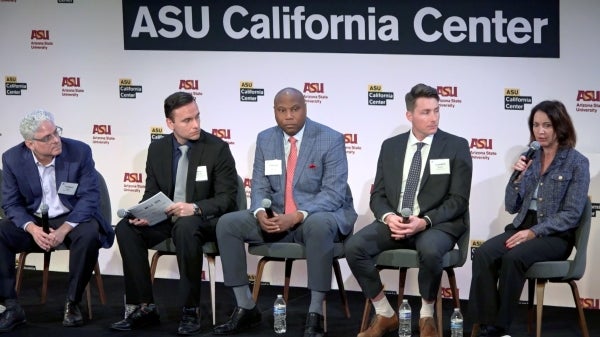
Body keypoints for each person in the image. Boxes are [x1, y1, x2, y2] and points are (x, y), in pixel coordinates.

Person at [213, 87, 357, 337]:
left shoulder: (330, 138)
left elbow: (333, 194)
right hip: (277, 217)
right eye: (282, 110)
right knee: (228, 223)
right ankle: (246, 307)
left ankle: (315, 313)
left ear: (305, 108)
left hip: (313, 219)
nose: (288, 116)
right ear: (275, 112)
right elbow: (259, 185)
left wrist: (297, 215)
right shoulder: (265, 138)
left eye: (294, 109)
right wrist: (259, 211)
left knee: (320, 224)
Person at [345, 83, 472, 337]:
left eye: (437, 110)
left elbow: (459, 200)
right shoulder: (390, 146)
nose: (433, 117)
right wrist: (389, 217)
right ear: (409, 115)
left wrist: (424, 221)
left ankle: (427, 317)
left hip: (436, 224)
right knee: (354, 247)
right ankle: (384, 313)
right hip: (396, 221)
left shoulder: (456, 146)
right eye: (425, 112)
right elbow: (378, 194)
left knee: (430, 249)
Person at [110, 91, 239, 335]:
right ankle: (144, 307)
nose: (196, 125)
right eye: (187, 120)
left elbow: (226, 198)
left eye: (197, 117)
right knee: (127, 228)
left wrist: (195, 208)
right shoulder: (157, 149)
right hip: (167, 218)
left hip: (202, 220)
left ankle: (191, 309)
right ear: (170, 123)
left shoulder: (216, 148)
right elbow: (152, 193)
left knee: (186, 226)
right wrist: (145, 212)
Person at [469, 100, 590, 337]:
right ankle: (485, 323)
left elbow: (572, 213)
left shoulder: (577, 162)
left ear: (560, 127)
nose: (540, 131)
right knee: (483, 253)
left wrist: (535, 232)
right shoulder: (530, 156)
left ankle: (499, 327)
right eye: (536, 125)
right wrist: (516, 178)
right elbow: (512, 206)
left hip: (554, 235)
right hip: (522, 226)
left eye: (547, 125)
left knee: (514, 258)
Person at [0, 110, 114, 332]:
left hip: (72, 217)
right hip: (35, 219)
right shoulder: (12, 159)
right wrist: (32, 229)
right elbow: (11, 204)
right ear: (30, 144)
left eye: (56, 132)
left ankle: (73, 302)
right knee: (0, 232)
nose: (56, 140)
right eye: (47, 138)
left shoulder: (79, 152)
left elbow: (90, 197)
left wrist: (63, 230)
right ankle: (11, 306)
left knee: (90, 233)